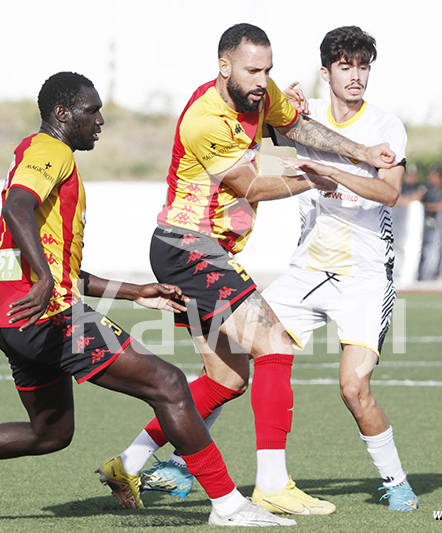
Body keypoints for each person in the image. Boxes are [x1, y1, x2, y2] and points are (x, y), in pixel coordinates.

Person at [0, 72, 296, 527]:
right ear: (62, 115)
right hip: (47, 315)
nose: (100, 120)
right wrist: (43, 277)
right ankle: (229, 506)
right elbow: (16, 206)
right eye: (91, 111)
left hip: (10, 317)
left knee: (50, 433)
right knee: (170, 385)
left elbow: (61, 266)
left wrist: (134, 291)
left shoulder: (36, 154)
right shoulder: (50, 150)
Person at [97, 23, 396, 516]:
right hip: (187, 247)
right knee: (275, 345)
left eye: (268, 70)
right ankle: (273, 483)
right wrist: (313, 178)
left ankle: (128, 462)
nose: (262, 80)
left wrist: (359, 151)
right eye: (253, 70)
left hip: (203, 251)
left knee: (226, 380)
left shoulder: (259, 93)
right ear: (224, 66)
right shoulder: (204, 118)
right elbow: (250, 186)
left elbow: (297, 126)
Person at [264, 25, 419, 511]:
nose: (355, 76)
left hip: (366, 275)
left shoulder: (386, 127)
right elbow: (257, 117)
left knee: (353, 387)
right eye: (345, 66)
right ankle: (180, 464)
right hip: (307, 267)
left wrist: (331, 170)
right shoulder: (304, 115)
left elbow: (389, 192)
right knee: (232, 354)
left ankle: (396, 484)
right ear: (326, 71)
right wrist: (280, 101)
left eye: (363, 66)